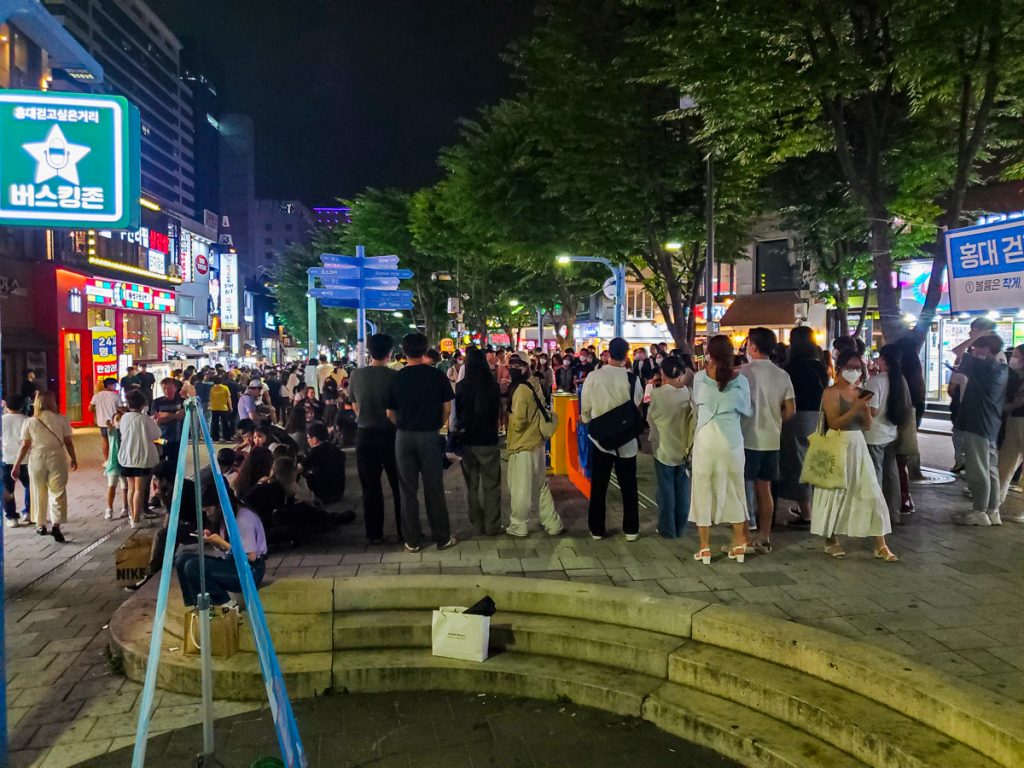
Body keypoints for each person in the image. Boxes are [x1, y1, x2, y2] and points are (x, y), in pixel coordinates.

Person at [811, 349, 897, 561]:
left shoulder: (860, 391)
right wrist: (855, 407)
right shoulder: (830, 393)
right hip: (836, 442)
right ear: (839, 368)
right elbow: (835, 422)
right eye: (849, 367)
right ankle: (830, 539)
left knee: (871, 491)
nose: (854, 372)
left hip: (858, 444)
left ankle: (881, 543)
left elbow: (867, 425)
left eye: (857, 368)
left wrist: (865, 407)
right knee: (834, 492)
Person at [386, 332, 457, 553]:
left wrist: (402, 426)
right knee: (434, 487)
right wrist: (438, 424)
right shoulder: (436, 376)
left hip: (404, 437)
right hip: (429, 435)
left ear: (404, 352)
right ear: (426, 351)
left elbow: (390, 413)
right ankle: (442, 537)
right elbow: (447, 408)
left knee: (407, 489)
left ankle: (413, 540)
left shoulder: (396, 378)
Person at [690, 336, 751, 564]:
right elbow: (747, 410)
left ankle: (705, 547)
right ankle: (739, 543)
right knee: (735, 488)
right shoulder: (741, 380)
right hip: (732, 439)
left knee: (702, 488)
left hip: (706, 438)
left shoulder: (699, 378)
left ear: (709, 354)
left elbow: (697, 400)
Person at [580, 337, 642, 541]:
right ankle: (631, 529)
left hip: (602, 441)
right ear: (626, 355)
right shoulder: (632, 379)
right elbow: (636, 405)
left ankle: (597, 529)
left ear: (607, 353)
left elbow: (586, 409)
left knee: (599, 486)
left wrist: (591, 421)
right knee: (629, 486)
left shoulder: (594, 376)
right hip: (627, 442)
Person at [739, 328, 795, 554]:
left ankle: (742, 537)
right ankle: (764, 537)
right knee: (765, 489)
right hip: (771, 439)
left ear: (753, 347)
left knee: (742, 489)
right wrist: (775, 421)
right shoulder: (782, 375)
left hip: (745, 437)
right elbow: (791, 410)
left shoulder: (742, 372)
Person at [173, 485, 267, 610]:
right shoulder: (226, 515)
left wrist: (223, 544)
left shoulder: (243, 519)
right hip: (234, 563)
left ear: (218, 506)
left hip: (251, 571)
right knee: (181, 559)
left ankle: (226, 604)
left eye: (207, 511)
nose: (206, 515)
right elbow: (230, 548)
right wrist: (214, 541)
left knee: (193, 567)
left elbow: (251, 558)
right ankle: (197, 605)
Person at [349, 333, 403, 544]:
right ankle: (403, 530)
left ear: (369, 352)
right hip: (391, 433)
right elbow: (397, 409)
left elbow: (355, 406)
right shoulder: (396, 377)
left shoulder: (356, 375)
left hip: (364, 433)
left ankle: (374, 534)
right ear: (390, 353)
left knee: (370, 485)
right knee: (398, 484)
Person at [505, 355, 563, 537]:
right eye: (511, 364)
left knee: (520, 487)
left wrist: (510, 417)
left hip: (523, 444)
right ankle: (552, 523)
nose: (514, 368)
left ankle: (519, 524)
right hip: (537, 442)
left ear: (526, 366)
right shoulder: (534, 383)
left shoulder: (521, 390)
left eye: (518, 365)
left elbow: (519, 422)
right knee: (540, 486)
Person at [954, 334, 1008, 526]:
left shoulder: (982, 366)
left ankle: (979, 511)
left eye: (976, 348)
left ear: (985, 349)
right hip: (992, 423)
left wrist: (977, 335)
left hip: (976, 422)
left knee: (978, 469)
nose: (973, 351)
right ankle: (994, 510)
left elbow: (958, 351)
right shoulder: (1002, 369)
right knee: (991, 468)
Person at [11, 391, 77, 542]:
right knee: (58, 491)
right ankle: (56, 525)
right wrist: (74, 458)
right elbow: (68, 441)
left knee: (38, 491)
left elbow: (24, 446)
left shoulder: (30, 421)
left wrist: (16, 466)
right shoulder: (61, 419)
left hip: (37, 458)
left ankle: (40, 524)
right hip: (58, 456)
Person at [780, 326, 829, 527]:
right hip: (819, 417)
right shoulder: (819, 366)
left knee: (798, 463)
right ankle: (818, 508)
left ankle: (806, 512)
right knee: (816, 462)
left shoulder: (791, 368)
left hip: (797, 417)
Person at [455, 346, 504, 537]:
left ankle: (477, 525)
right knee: (492, 485)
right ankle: (493, 526)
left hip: (468, 440)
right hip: (489, 440)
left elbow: (458, 414)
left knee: (472, 485)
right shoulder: (493, 386)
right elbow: (497, 413)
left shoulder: (461, 386)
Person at [863, 344, 912, 527]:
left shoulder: (875, 381)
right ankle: (893, 513)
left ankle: (876, 515)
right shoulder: (900, 380)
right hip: (891, 433)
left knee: (875, 474)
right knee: (892, 475)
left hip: (874, 434)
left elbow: (872, 411)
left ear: (884, 359)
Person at [647, 356, 694, 539]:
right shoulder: (688, 392)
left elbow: (651, 419)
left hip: (663, 447)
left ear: (663, 372)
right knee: (682, 489)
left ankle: (667, 528)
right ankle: (680, 526)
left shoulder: (658, 394)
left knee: (666, 490)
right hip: (684, 449)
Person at [118, 390, 161, 529]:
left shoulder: (124, 418)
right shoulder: (144, 419)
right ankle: (136, 520)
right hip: (142, 457)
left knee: (131, 489)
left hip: (126, 457)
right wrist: (155, 422)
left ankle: (132, 515)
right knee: (139, 490)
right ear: (143, 404)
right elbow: (157, 435)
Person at [997, 344, 1024, 521]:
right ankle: (994, 504)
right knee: (1005, 464)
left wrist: (1001, 408)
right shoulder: (1017, 376)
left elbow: (1019, 401)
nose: (1012, 359)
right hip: (1014, 422)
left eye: (1015, 355)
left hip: (1020, 420)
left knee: (1008, 463)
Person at [302, 421, 347, 506]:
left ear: (314, 439)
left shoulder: (315, 452)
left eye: (308, 437)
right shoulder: (337, 450)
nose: (307, 440)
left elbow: (302, 467)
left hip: (324, 495)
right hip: (339, 492)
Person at [2, 395, 30, 527]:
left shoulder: (2, 420)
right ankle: (29, 513)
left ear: (6, 405)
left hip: (6, 459)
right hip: (26, 459)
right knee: (29, 487)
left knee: (8, 489)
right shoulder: (27, 420)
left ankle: (11, 517)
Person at [151, 378, 185, 461]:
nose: (166, 391)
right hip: (161, 439)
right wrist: (175, 416)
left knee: (174, 463)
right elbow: (157, 420)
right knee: (159, 463)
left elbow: (182, 416)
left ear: (175, 388)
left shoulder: (181, 401)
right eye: (164, 388)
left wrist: (166, 415)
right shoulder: (157, 402)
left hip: (177, 438)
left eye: (169, 388)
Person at [103, 411, 129, 521]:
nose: (119, 422)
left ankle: (125, 507)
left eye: (121, 419)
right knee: (111, 486)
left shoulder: (126, 432)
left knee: (125, 486)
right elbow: (111, 430)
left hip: (124, 463)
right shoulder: (113, 431)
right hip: (113, 463)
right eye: (117, 419)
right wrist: (109, 425)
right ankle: (109, 509)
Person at [89, 377, 121, 460]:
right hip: (114, 423)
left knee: (105, 440)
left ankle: (107, 460)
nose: (115, 387)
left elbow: (90, 408)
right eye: (115, 385)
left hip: (102, 422)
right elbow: (121, 409)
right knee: (115, 441)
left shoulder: (97, 396)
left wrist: (97, 414)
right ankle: (115, 460)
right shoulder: (116, 395)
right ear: (109, 385)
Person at [209, 376, 233, 442]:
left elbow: (211, 398)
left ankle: (215, 437)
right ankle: (227, 437)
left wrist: (210, 406)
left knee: (215, 423)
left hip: (214, 408)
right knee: (225, 423)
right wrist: (230, 407)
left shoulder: (212, 389)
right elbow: (228, 398)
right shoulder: (225, 388)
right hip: (223, 408)